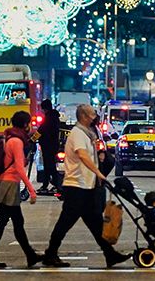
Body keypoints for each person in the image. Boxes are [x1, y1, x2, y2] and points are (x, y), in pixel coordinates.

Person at [41, 104, 129, 268]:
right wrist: (98, 173)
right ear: (83, 116)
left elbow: (91, 154)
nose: (94, 116)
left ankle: (110, 254)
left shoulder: (87, 133)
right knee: (66, 221)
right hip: (76, 186)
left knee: (95, 222)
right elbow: (82, 156)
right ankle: (50, 254)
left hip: (86, 186)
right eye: (92, 114)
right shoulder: (78, 134)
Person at [0, 110, 42, 269]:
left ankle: (29, 255)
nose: (30, 126)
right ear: (25, 124)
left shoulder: (13, 137)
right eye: (29, 123)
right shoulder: (16, 141)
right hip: (9, 184)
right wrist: (31, 189)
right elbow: (19, 167)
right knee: (4, 222)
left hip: (9, 183)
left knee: (14, 222)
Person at [36, 99, 60, 194]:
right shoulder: (54, 117)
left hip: (48, 146)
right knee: (49, 165)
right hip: (52, 145)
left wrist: (32, 140)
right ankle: (52, 184)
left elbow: (41, 130)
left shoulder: (49, 118)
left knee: (49, 166)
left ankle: (55, 184)